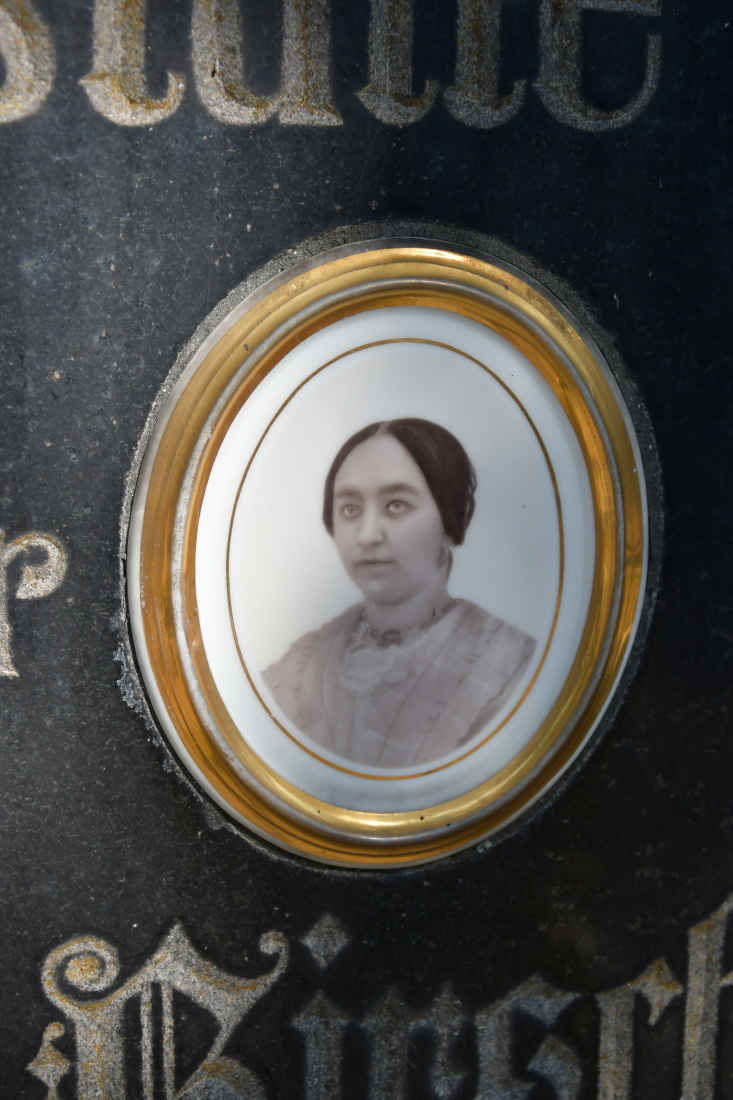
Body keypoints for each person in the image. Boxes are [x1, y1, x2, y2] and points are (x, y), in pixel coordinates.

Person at [263, 419, 536, 769]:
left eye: (396, 505)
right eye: (350, 509)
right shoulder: (302, 664)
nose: (367, 535)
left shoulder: (509, 667)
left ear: (449, 522)